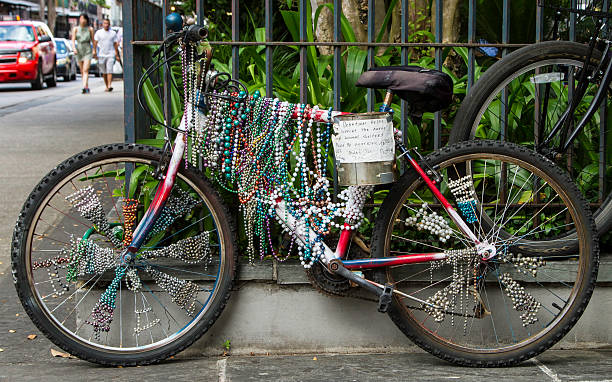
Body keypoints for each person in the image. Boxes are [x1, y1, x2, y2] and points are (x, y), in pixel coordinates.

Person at [93, 19, 120, 92]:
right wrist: (94, 51)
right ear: (102, 24)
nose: (106, 25)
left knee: (109, 70)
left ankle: (109, 85)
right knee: (104, 72)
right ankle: (106, 85)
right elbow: (95, 42)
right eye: (105, 23)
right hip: (101, 55)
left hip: (110, 54)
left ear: (109, 24)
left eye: (107, 23)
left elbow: (115, 44)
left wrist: (116, 54)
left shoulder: (113, 33)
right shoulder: (99, 33)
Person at [71, 14, 94, 94]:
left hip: (87, 49)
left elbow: (93, 41)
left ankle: (84, 86)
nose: (83, 20)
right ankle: (86, 85)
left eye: (84, 19)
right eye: (81, 19)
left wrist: (94, 50)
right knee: (82, 70)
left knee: (85, 69)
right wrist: (74, 48)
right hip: (79, 50)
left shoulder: (90, 29)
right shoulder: (76, 29)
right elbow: (73, 40)